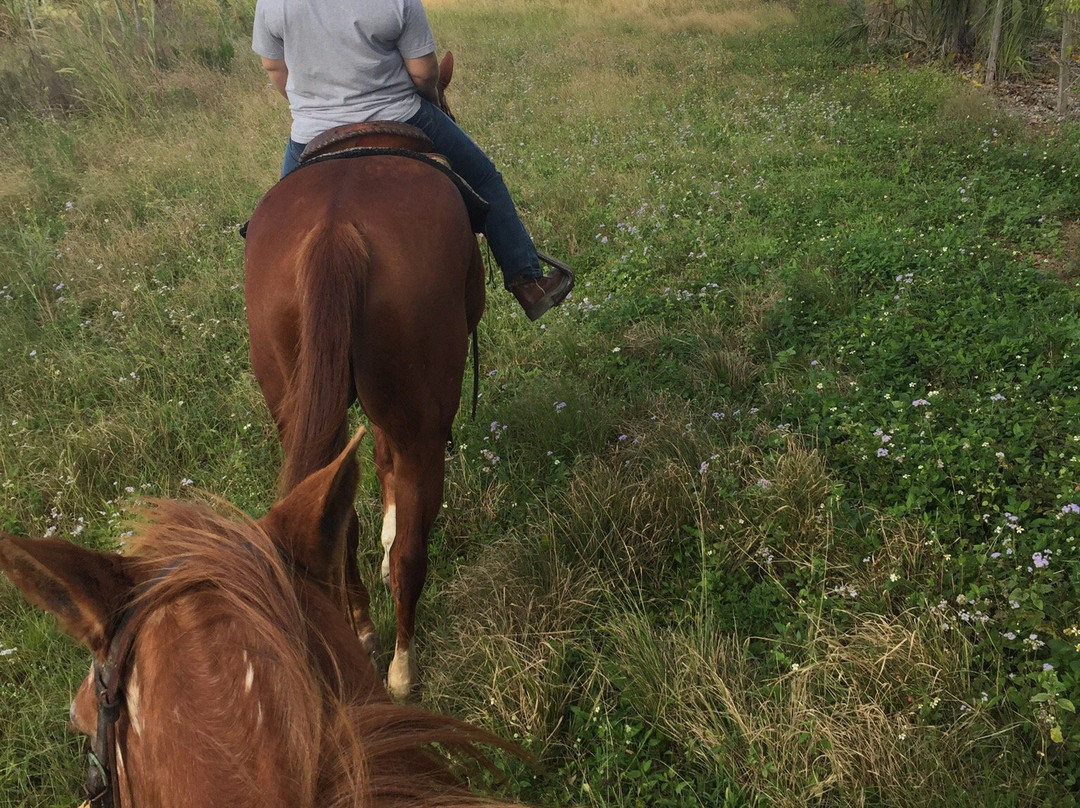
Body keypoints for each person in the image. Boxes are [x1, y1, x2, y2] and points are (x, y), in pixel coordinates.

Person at [251, 0, 574, 321]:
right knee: (485, 179)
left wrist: (314, 107)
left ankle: (262, 293)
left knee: (275, 220)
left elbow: (274, 68)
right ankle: (528, 283)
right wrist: (433, 99)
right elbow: (423, 72)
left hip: (312, 130)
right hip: (399, 114)